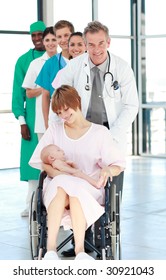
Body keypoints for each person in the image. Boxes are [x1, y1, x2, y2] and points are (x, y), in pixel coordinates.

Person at [51, 20, 139, 256]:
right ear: (85, 46)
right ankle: (82, 240)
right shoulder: (75, 66)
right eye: (91, 44)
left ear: (108, 42)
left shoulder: (122, 67)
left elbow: (132, 105)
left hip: (111, 134)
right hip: (81, 135)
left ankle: (106, 239)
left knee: (111, 190)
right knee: (81, 187)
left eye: (101, 43)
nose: (97, 49)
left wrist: (111, 135)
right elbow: (57, 94)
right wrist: (58, 132)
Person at [29, 85, 126, 260]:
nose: (64, 116)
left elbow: (118, 164)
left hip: (88, 186)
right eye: (59, 113)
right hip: (57, 186)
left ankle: (80, 251)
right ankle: (50, 251)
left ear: (77, 102)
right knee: (61, 186)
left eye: (66, 109)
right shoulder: (55, 130)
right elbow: (40, 161)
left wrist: (107, 169)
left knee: (75, 191)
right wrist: (61, 175)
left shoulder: (99, 133)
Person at [12, 20, 46, 217]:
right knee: (31, 162)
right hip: (32, 118)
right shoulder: (23, 61)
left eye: (40, 34)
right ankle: (31, 203)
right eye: (33, 35)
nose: (36, 39)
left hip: (53, 115)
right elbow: (18, 94)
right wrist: (22, 122)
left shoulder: (56, 59)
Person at [35, 20, 75, 129]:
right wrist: (47, 124)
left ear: (73, 35)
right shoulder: (50, 64)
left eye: (66, 35)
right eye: (59, 37)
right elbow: (46, 96)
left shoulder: (82, 60)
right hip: (58, 118)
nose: (63, 40)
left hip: (82, 117)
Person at [22, 27, 58, 141]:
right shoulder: (35, 64)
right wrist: (45, 88)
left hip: (64, 119)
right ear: (43, 42)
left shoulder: (66, 61)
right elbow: (28, 93)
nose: (50, 43)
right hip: (43, 123)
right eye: (47, 40)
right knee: (45, 156)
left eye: (54, 39)